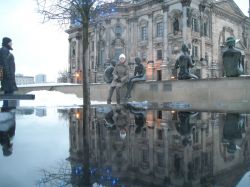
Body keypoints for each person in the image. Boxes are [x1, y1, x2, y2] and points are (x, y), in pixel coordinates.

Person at [0, 37, 18, 108]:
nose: (12, 44)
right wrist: (8, 76)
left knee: (8, 95)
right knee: (9, 95)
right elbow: (4, 64)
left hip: (8, 77)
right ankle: (7, 113)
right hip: (8, 78)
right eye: (11, 42)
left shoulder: (5, 50)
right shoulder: (4, 50)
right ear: (7, 43)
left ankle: (7, 112)